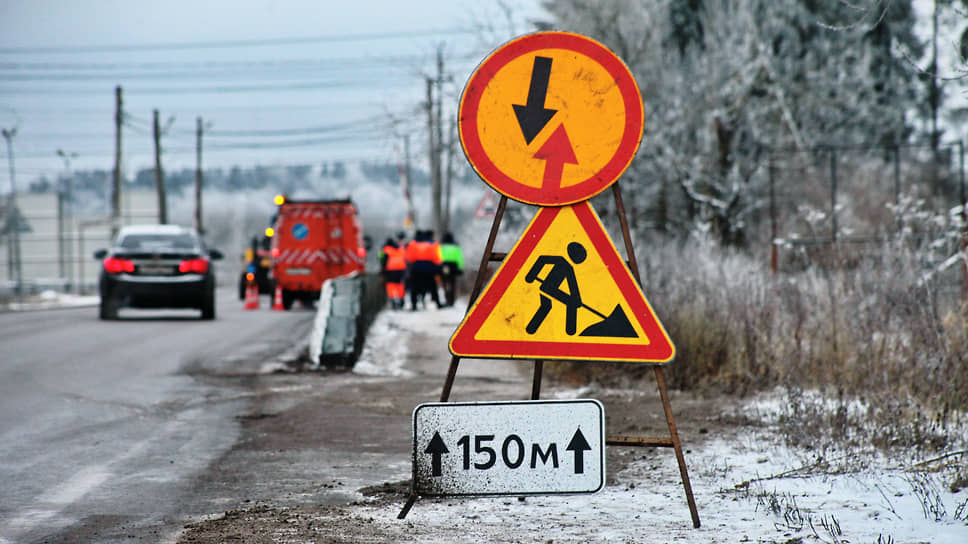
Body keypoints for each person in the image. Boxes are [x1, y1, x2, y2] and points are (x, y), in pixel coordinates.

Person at [404, 229, 442, 310]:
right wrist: (437, 267)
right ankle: (438, 303)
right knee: (433, 286)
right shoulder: (432, 244)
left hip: (416, 268)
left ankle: (414, 305)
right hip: (429, 268)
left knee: (414, 286)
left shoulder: (412, 244)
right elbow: (436, 257)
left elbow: (409, 258)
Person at [379, 237, 407, 309]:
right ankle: (401, 299)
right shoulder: (400, 249)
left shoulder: (386, 250)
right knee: (400, 285)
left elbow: (382, 260)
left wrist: (382, 271)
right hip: (401, 270)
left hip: (390, 270)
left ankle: (393, 299)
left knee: (391, 285)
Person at [438, 232, 464, 307]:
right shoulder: (456, 246)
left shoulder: (441, 246)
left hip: (444, 266)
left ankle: (447, 297)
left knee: (445, 282)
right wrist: (460, 268)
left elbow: (438, 257)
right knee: (453, 282)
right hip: (453, 266)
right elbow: (459, 258)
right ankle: (452, 300)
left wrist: (438, 267)